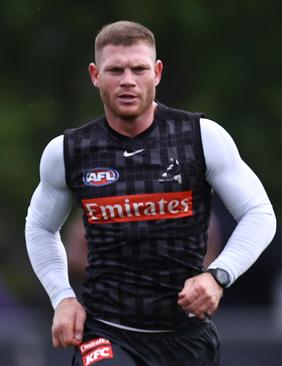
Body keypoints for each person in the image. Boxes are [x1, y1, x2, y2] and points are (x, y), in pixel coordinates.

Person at [25, 20, 276, 365]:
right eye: (115, 70)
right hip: (106, 331)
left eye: (139, 69)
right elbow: (39, 226)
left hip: (186, 338)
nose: (128, 80)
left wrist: (218, 276)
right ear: (95, 75)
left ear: (156, 72)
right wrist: (62, 297)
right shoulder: (68, 151)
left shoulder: (201, 137)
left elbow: (259, 214)